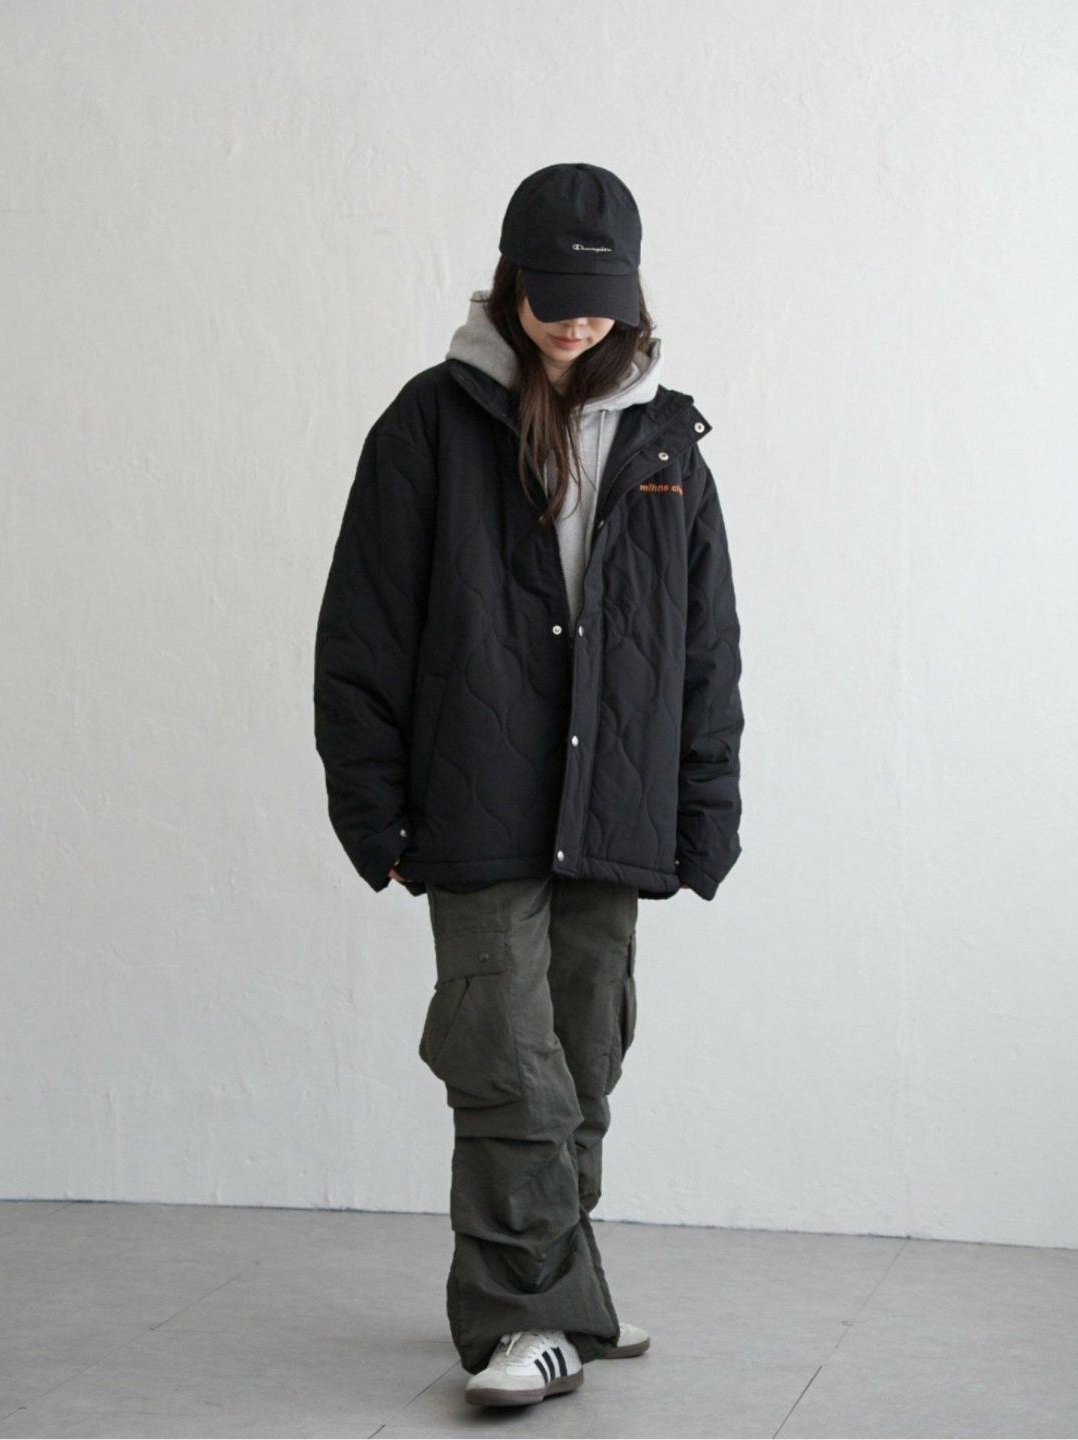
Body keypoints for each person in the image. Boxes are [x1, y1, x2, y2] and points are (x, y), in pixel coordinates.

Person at [313, 161, 744, 1408]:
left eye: (600, 296)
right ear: (511, 280)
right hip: (475, 800)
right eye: (553, 293)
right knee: (507, 1065)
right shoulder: (430, 424)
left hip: (612, 805)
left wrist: (704, 810)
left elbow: (703, 650)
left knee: (582, 1059)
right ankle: (530, 1319)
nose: (576, 319)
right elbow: (363, 630)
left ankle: (567, 1294)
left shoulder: (667, 442)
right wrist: (370, 808)